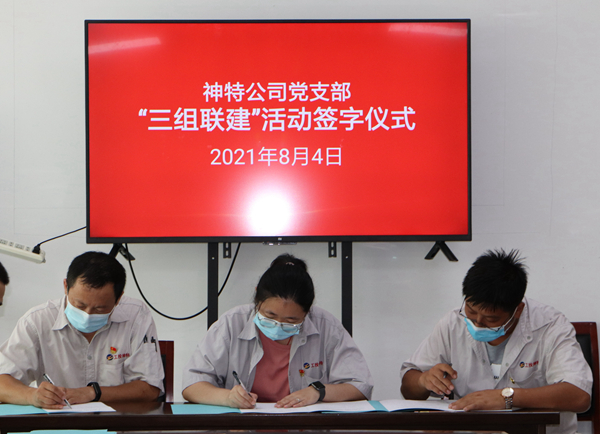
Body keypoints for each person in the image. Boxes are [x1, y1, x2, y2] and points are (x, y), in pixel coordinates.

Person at [400, 249, 592, 434]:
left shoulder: (550, 325)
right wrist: (423, 380)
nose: (477, 323)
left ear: (518, 310)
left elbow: (579, 395)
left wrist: (507, 397)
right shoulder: (453, 323)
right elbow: (409, 387)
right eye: (471, 312)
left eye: (491, 319)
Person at [182, 253, 373, 409]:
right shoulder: (232, 323)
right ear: (257, 299)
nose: (278, 325)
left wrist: (318, 391)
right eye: (270, 315)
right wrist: (227, 397)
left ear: (307, 312)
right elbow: (192, 384)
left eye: (291, 320)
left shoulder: (326, 326)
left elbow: (360, 385)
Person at [0, 251, 164, 408]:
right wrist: (33, 396)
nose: (87, 315)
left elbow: (150, 388)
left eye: (100, 309)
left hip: (119, 422)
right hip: (59, 422)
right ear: (66, 286)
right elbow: (2, 382)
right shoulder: (37, 321)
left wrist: (93, 393)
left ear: (119, 298)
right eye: (80, 305)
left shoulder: (136, 316)